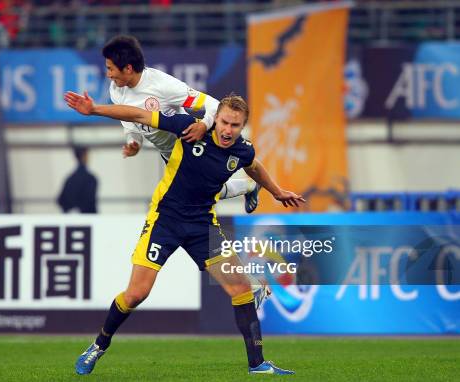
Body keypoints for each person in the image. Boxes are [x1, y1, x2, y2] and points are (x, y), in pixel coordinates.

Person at [64, 90, 304, 375]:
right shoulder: (189, 128)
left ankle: (258, 365)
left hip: (202, 224)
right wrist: (95, 110)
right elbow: (140, 114)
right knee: (136, 294)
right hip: (165, 219)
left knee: (241, 289)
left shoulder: (242, 149)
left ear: (242, 126)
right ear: (217, 119)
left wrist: (277, 192)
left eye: (235, 125)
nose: (228, 130)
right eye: (225, 122)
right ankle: (98, 345)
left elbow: (254, 166)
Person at [102, 35, 262, 213]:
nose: (108, 74)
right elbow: (131, 124)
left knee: (198, 193)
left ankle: (249, 182)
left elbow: (215, 105)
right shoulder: (116, 90)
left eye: (110, 69)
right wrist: (134, 142)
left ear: (128, 68)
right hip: (168, 154)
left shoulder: (163, 85)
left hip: (189, 144)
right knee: (201, 192)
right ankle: (249, 186)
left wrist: (203, 125)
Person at [57, 146, 98, 213]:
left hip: (71, 220)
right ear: (84, 156)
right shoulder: (90, 179)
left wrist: (72, 209)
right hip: (88, 218)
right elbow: (89, 202)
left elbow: (60, 200)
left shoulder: (70, 179)